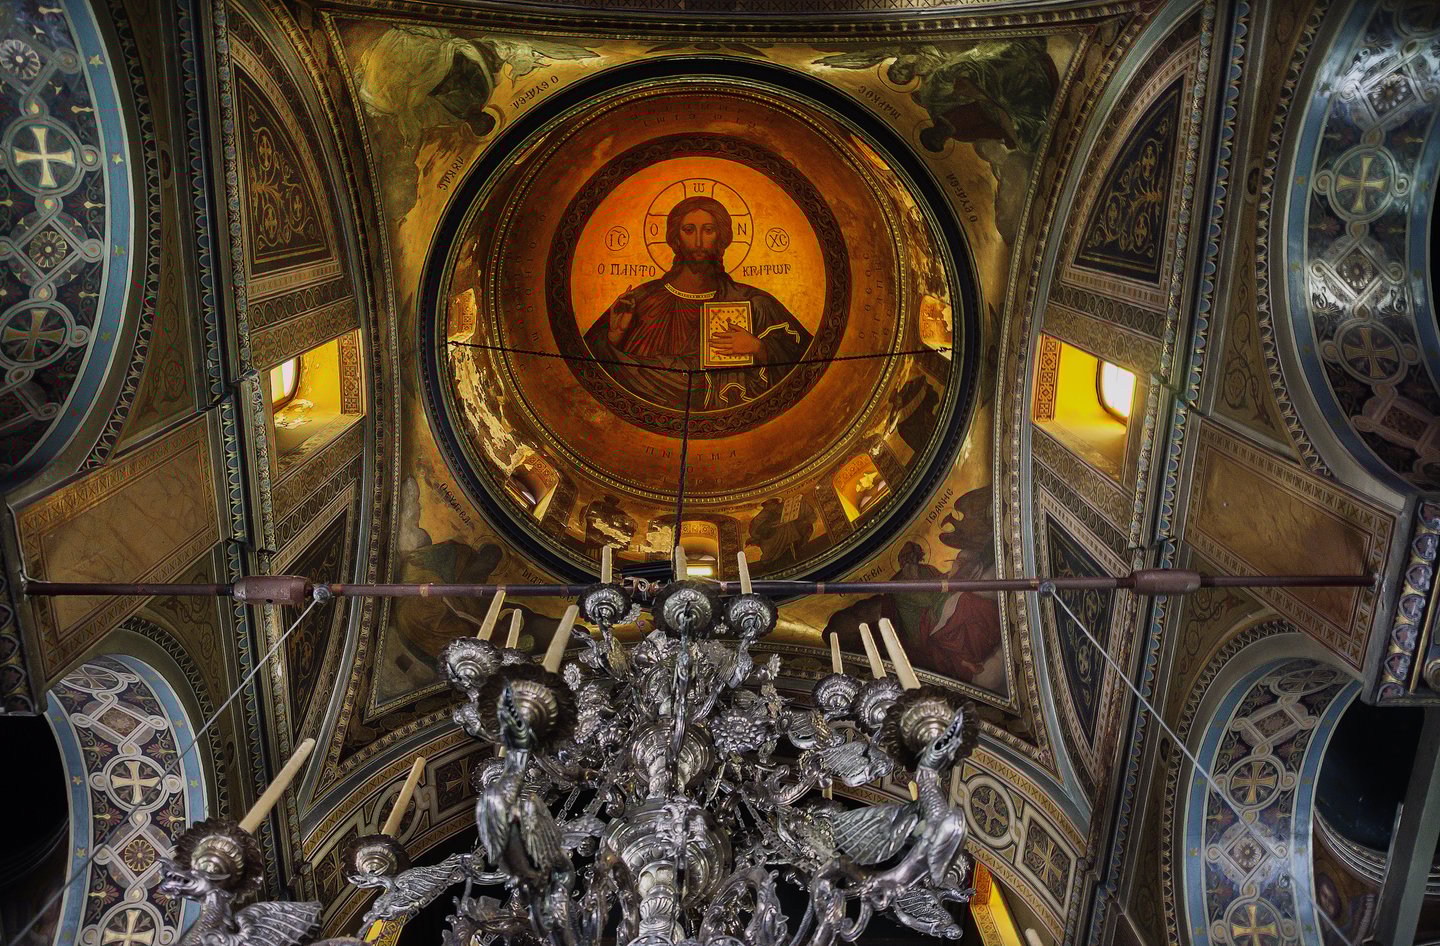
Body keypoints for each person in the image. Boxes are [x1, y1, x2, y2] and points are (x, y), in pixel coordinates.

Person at [584, 196, 812, 408]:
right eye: (689, 230)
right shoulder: (640, 300)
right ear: (675, 238)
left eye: (709, 230)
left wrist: (759, 348)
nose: (699, 241)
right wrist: (613, 337)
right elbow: (586, 365)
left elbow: (808, 361)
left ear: (721, 237)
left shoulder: (755, 304)